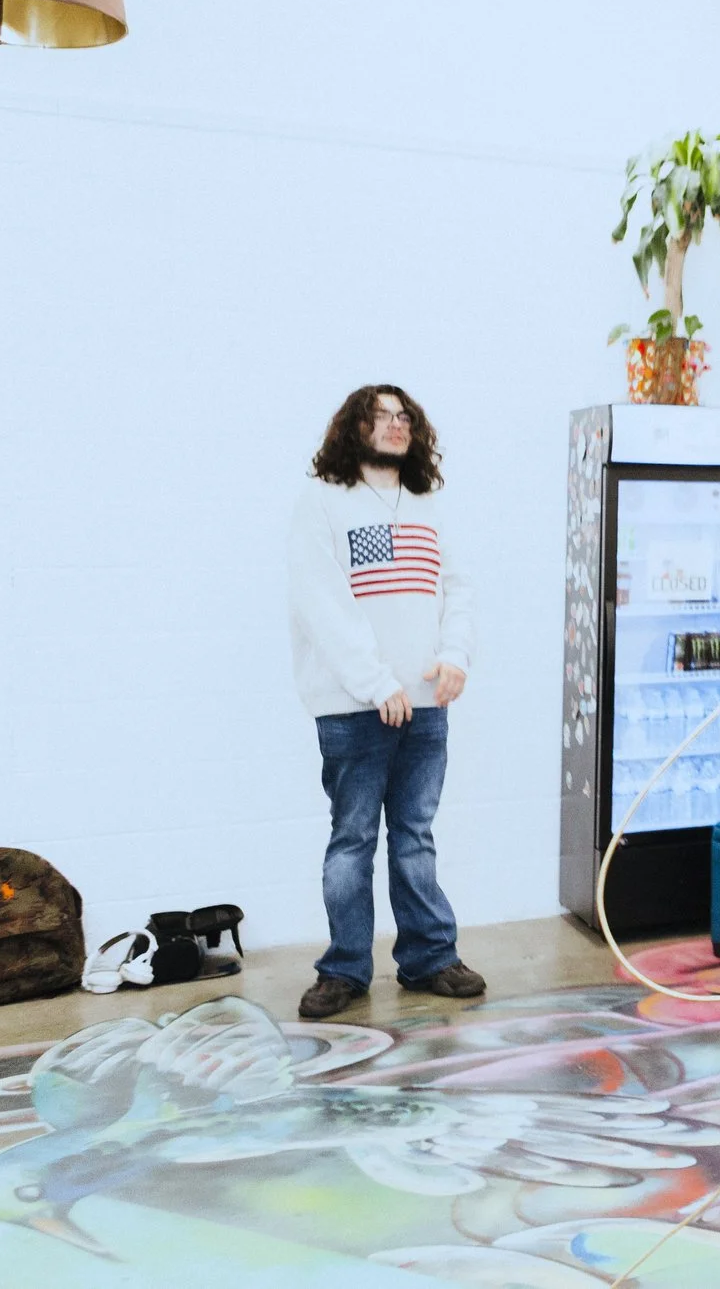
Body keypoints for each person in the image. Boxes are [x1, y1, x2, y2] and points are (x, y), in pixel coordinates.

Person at [287, 385, 482, 1021]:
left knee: (415, 837)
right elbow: (321, 603)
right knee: (353, 839)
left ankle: (429, 957)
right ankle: (345, 968)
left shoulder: (428, 502)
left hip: (426, 705)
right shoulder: (323, 501)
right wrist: (377, 685)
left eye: (404, 417)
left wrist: (454, 658)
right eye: (381, 417)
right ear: (354, 428)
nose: (395, 426)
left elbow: (457, 588)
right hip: (352, 707)